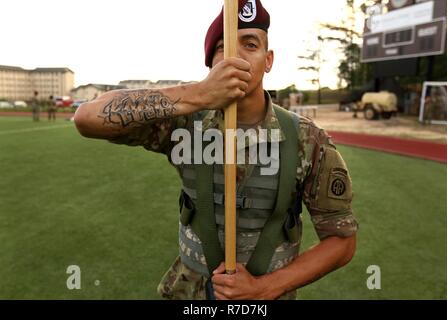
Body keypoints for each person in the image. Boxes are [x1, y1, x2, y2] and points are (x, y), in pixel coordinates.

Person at [74, 0, 358, 300]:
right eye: (222, 48)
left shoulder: (307, 140)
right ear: (211, 64)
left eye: (250, 44)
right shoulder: (183, 123)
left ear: (269, 59)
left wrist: (265, 288)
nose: (235, 57)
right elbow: (87, 118)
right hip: (190, 292)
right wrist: (198, 93)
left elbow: (341, 241)